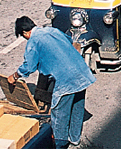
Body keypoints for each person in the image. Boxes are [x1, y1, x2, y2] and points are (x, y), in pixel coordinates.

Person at [9, 17, 95, 149]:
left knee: (59, 112)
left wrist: (14, 76)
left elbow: (29, 66)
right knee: (77, 106)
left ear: (25, 33)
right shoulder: (52, 31)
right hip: (81, 72)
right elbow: (69, 41)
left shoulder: (34, 41)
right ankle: (74, 139)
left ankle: (60, 144)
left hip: (67, 79)